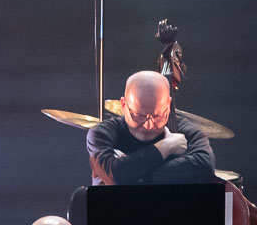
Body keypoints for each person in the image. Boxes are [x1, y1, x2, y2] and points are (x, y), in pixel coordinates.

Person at [87, 71, 216, 186]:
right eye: (139, 116)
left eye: (157, 116)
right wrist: (165, 147)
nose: (148, 126)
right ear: (123, 104)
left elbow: (206, 164)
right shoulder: (101, 133)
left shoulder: (184, 130)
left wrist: (136, 176)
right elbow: (114, 176)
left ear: (168, 105)